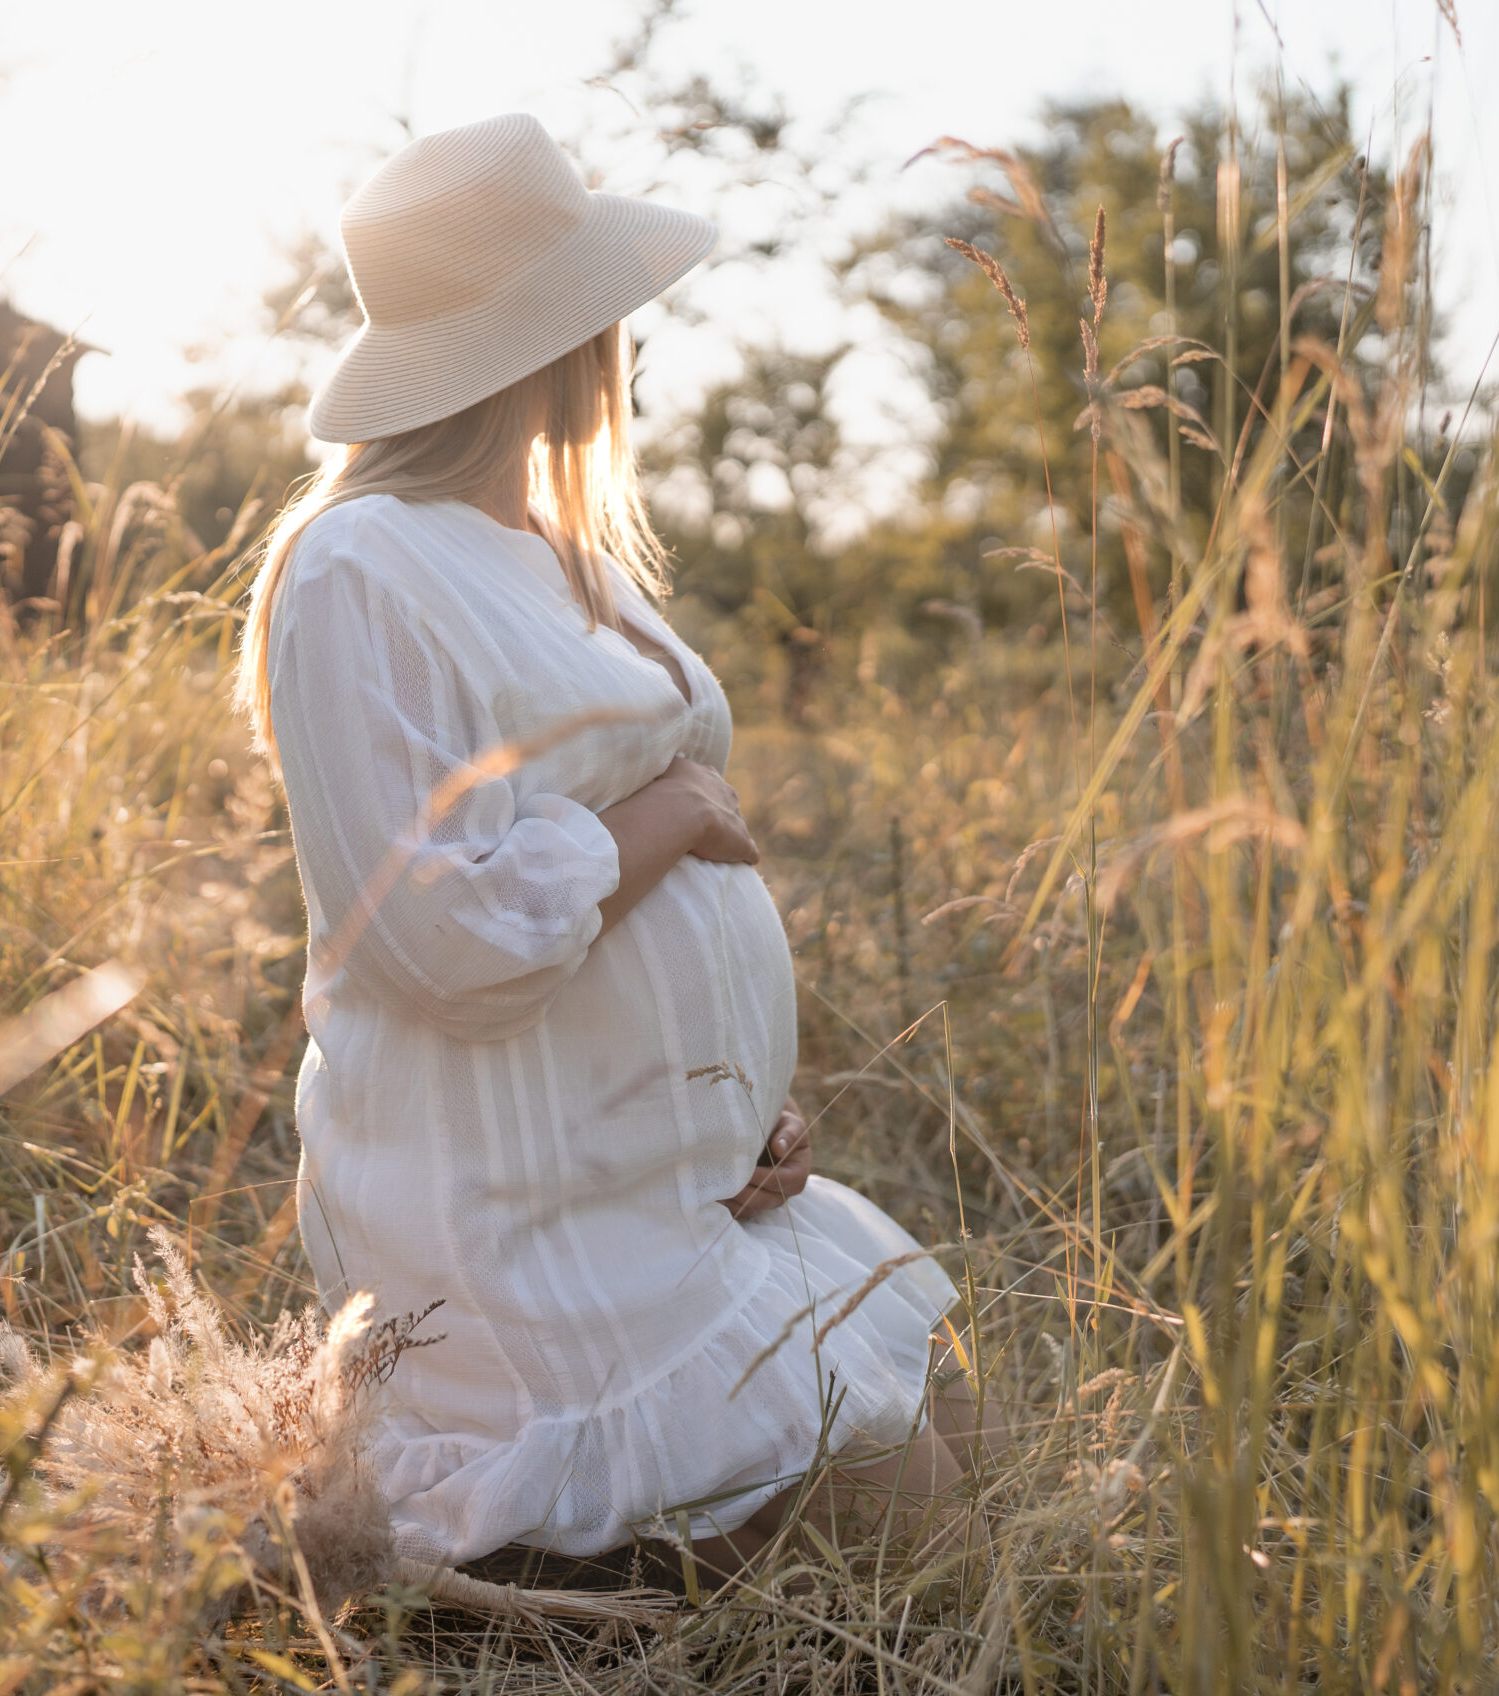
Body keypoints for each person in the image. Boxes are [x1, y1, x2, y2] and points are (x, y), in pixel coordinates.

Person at [236, 113, 976, 1582]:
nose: (628, 349)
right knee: (916, 1528)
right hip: (526, 1234)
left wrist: (733, 1117)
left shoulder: (560, 551)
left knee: (973, 1449)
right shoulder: (358, 564)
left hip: (661, 1188)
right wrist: (673, 814)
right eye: (605, 319)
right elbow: (436, 937)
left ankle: (625, 1548)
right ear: (550, 339)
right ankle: (532, 1556)